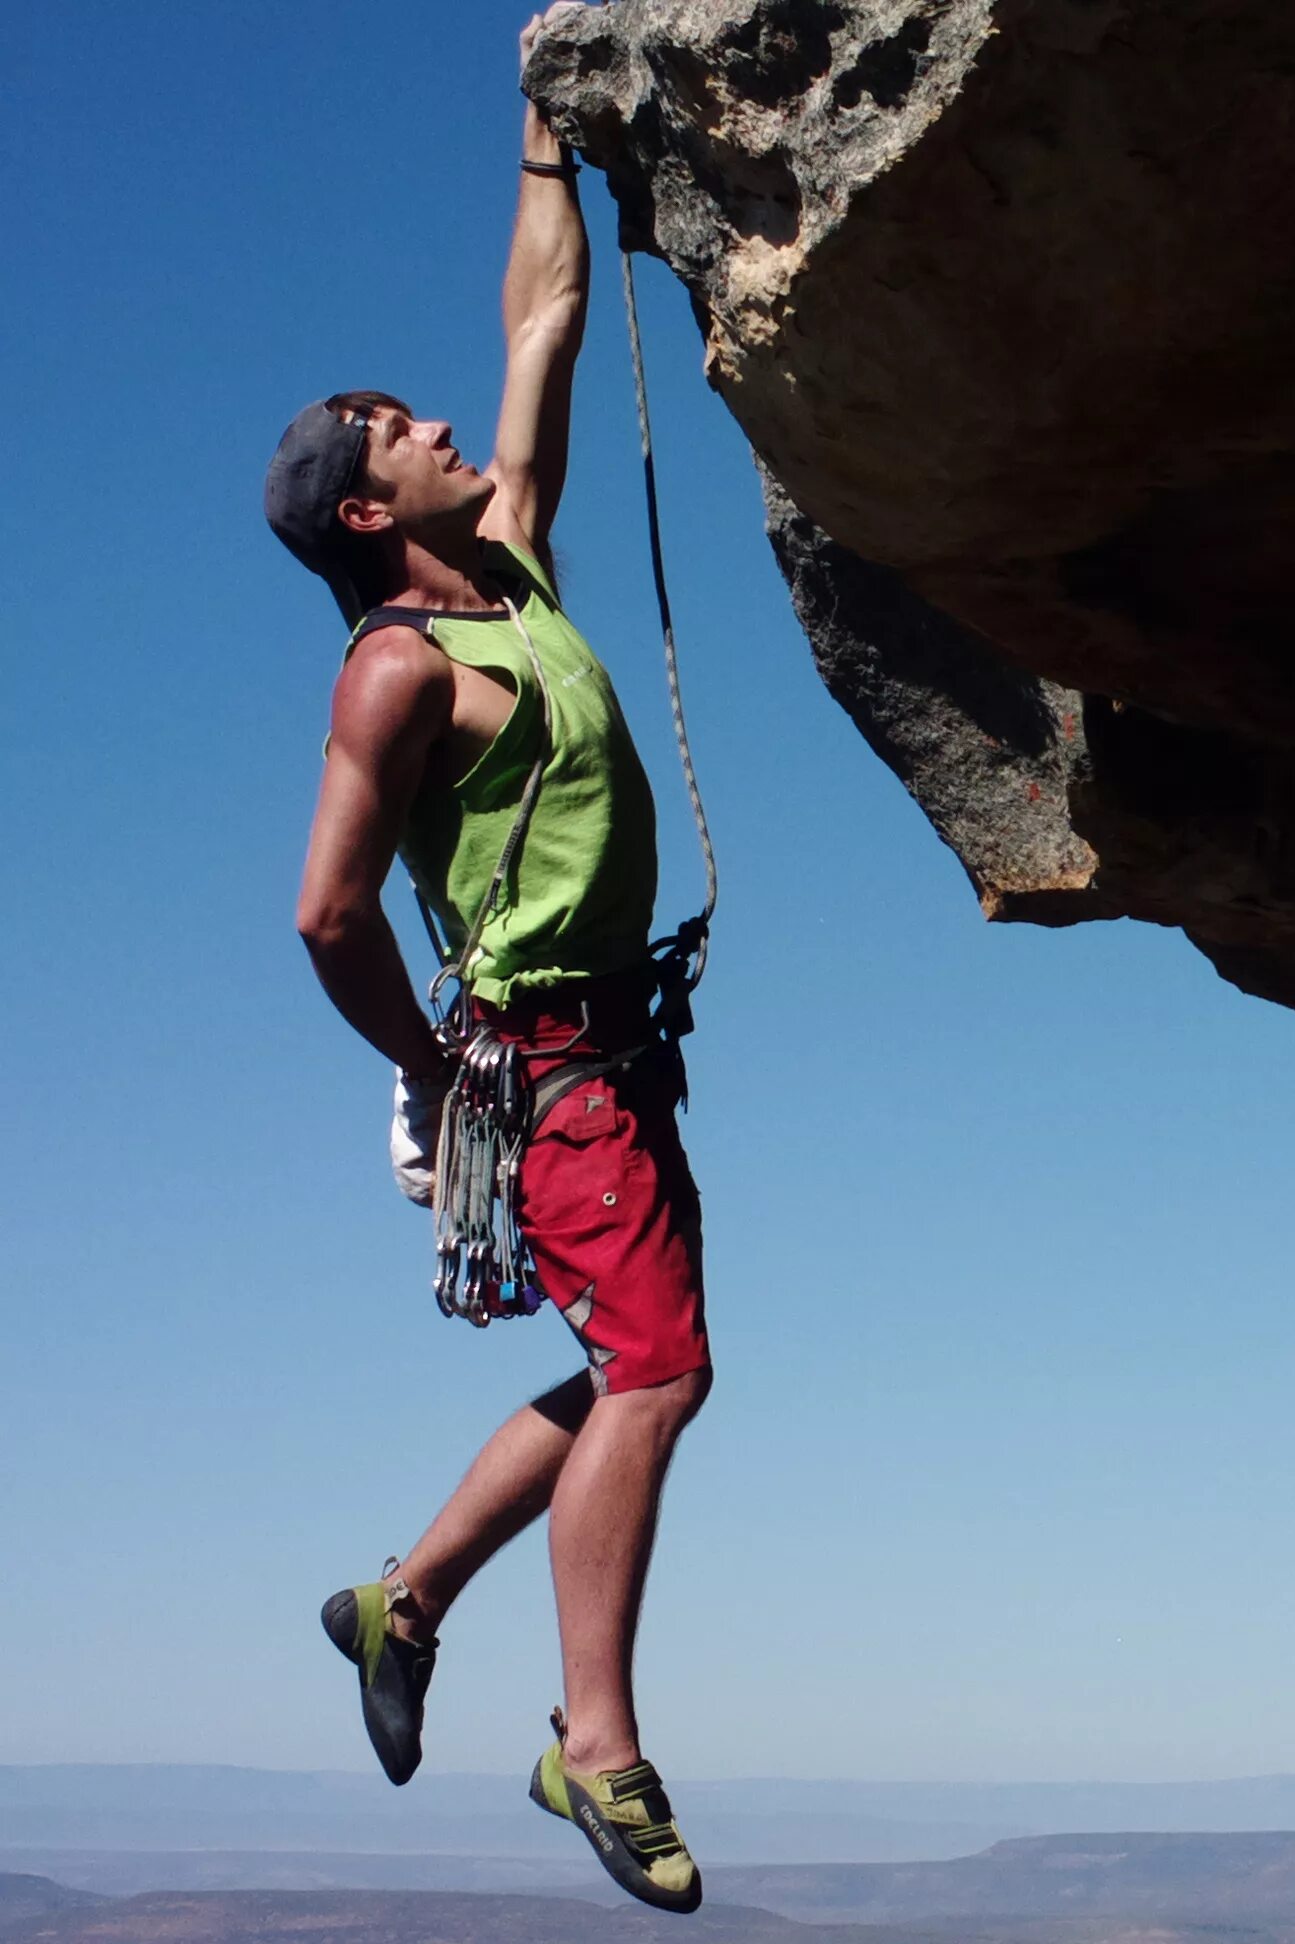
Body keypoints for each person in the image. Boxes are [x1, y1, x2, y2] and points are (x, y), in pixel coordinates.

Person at [262, 7, 708, 1914]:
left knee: (627, 1358)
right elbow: (328, 912)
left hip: (611, 1052)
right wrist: (443, 1067)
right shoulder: (398, 669)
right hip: (547, 1062)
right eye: (401, 435)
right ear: (370, 513)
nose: (442, 427)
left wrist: (545, 133)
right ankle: (590, 1745)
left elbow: (541, 328)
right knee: (660, 1372)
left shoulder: (509, 573)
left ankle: (403, 1595)